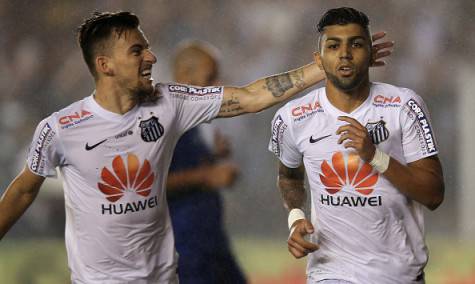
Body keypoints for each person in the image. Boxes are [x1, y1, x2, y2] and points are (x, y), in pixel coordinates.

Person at [0, 11, 391, 284]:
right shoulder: (60, 128)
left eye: (148, 47)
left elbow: (251, 96)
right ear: (105, 65)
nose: (152, 57)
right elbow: (23, 190)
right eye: (138, 51)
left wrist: (325, 64)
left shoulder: (170, 102)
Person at [269, 7, 444, 284]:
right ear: (319, 58)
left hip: (399, 275)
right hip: (329, 273)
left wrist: (375, 156)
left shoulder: (403, 106)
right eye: (334, 45)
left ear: (371, 53)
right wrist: (295, 218)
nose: (345, 53)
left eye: (357, 44)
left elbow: (433, 195)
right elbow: (288, 177)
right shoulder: (293, 117)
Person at [166, 41, 246, 284]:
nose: (218, 86)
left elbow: (184, 165)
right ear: (185, 77)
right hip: (185, 246)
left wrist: (213, 158)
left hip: (210, 240)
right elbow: (146, 184)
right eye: (211, 78)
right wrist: (207, 176)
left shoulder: (192, 121)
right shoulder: (162, 121)